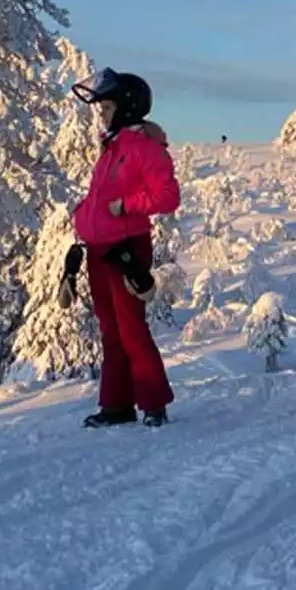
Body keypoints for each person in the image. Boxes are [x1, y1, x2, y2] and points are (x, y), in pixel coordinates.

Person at [69, 68, 182, 428]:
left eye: (106, 108)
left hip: (126, 247)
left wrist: (126, 207)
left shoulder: (142, 148)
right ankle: (116, 406)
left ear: (128, 108)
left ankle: (153, 404)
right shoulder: (112, 148)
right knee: (110, 331)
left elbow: (168, 196)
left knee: (131, 328)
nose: (102, 115)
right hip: (98, 249)